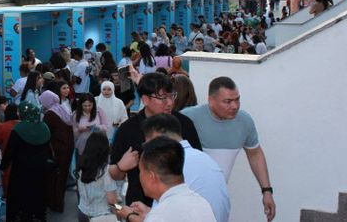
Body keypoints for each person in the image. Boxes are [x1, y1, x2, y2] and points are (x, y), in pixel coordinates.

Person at [182, 77, 276, 221]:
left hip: (217, 200)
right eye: (228, 101)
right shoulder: (187, 117)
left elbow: (255, 154)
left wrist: (267, 191)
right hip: (184, 199)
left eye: (237, 100)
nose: (235, 106)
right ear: (211, 100)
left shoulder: (245, 121)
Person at [109, 73, 202, 207]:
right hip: (139, 206)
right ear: (145, 99)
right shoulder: (127, 129)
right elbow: (114, 174)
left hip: (178, 205)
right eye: (163, 98)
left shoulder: (184, 124)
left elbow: (197, 159)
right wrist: (121, 167)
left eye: (172, 96)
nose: (170, 103)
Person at [141, 114, 230, 222]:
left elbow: (164, 214)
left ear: (158, 139)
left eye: (148, 145)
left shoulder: (170, 162)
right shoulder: (205, 158)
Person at [116, 137, 216, 222]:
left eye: (141, 171)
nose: (140, 176)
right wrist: (149, 214)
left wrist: (130, 216)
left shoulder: (160, 215)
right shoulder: (201, 202)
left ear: (151, 177)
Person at [0, 102, 51, 222]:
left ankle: (20, 216)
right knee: (37, 192)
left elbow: (10, 151)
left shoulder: (18, 129)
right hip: (41, 168)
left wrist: (3, 166)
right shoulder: (44, 127)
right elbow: (48, 149)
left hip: (21, 169)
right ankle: (37, 216)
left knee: (20, 194)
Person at [39, 90, 74, 213]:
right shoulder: (61, 109)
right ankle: (59, 202)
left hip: (57, 149)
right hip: (67, 148)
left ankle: (54, 203)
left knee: (55, 177)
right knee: (62, 176)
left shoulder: (50, 114)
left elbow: (44, 133)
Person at [76, 132, 119, 221]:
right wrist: (121, 209)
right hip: (101, 216)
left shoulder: (81, 167)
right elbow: (112, 202)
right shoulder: (106, 171)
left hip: (82, 212)